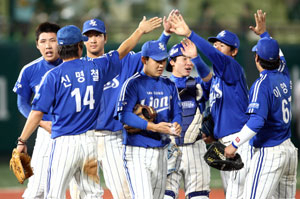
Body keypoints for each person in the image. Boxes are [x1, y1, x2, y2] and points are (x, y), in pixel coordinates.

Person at [15, 17, 161, 198]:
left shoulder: (53, 76)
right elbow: (122, 51)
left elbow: (36, 113)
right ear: (80, 46)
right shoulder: (96, 67)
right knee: (92, 194)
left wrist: (22, 141)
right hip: (89, 145)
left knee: (54, 194)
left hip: (64, 144)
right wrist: (139, 31)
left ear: (59, 49)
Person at [70, 11, 177, 199]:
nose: (93, 40)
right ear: (82, 41)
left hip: (114, 138)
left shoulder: (124, 62)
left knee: (125, 193)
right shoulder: (77, 67)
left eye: (97, 35)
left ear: (105, 38)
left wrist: (165, 34)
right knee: (82, 194)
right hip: (84, 138)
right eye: (88, 36)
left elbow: (152, 56)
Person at [169, 13, 252, 198]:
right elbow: (207, 78)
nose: (216, 47)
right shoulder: (217, 78)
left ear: (234, 51)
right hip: (223, 142)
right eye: (215, 44)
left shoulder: (232, 68)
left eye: (221, 45)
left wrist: (190, 34)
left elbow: (213, 57)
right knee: (231, 193)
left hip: (239, 140)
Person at [224, 10, 298, 199]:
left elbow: (257, 121)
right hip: (289, 150)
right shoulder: (283, 73)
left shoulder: (262, 84)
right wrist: (265, 34)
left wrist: (234, 144)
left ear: (257, 58)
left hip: (270, 151)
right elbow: (279, 55)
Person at [116, 40, 182, 199]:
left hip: (161, 151)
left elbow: (177, 111)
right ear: (144, 60)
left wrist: (177, 124)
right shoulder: (133, 84)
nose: (161, 65)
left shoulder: (169, 84)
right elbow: (124, 115)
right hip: (137, 151)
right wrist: (154, 127)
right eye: (157, 61)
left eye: (163, 60)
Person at [13, 22, 62, 199]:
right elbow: (23, 104)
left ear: (61, 42)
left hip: (76, 132)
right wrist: (42, 124)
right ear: (37, 44)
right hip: (46, 133)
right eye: (43, 41)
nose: (48, 45)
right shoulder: (30, 70)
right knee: (38, 188)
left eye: (53, 40)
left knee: (82, 187)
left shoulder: (72, 66)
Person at [164, 39, 212, 199]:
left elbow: (210, 80)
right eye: (184, 58)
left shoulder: (197, 84)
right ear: (172, 61)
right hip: (169, 148)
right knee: (165, 196)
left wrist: (197, 58)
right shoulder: (161, 86)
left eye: (190, 59)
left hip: (195, 148)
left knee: (199, 197)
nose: (188, 63)